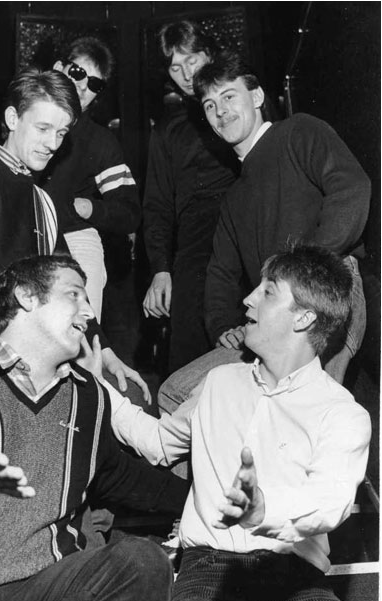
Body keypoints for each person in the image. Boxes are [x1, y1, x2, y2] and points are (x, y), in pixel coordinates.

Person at [104, 244, 372, 601]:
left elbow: (330, 500)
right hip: (208, 576)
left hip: (297, 585)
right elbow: (158, 443)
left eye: (267, 291)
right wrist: (98, 386)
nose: (247, 300)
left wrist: (264, 512)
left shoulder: (342, 413)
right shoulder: (218, 383)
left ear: (304, 318)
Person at [0, 254, 188, 601]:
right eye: (75, 294)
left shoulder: (89, 397)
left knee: (141, 561)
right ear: (26, 297)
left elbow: (119, 477)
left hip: (46, 594)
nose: (88, 312)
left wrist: (208, 498)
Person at [158, 52, 371, 412]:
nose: (220, 111)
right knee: (177, 395)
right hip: (268, 314)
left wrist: (302, 272)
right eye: (209, 105)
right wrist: (224, 323)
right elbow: (221, 272)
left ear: (256, 98)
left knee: (295, 418)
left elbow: (351, 188)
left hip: (324, 293)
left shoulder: (298, 131)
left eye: (228, 96)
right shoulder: (235, 196)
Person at [0, 66, 150, 403]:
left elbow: (70, 287)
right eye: (44, 128)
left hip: (22, 332)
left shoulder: (41, 200)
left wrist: (102, 350)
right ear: (12, 118)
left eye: (62, 133)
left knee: (127, 393)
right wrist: (41, 336)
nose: (52, 144)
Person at [142, 20, 239, 374]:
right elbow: (157, 205)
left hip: (245, 226)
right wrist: (161, 270)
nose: (185, 74)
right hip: (196, 242)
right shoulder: (168, 128)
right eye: (175, 66)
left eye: (192, 60)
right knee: (189, 355)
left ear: (208, 55)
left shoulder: (238, 106)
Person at [42, 36, 141, 323]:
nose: (84, 86)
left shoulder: (101, 142)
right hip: (23, 231)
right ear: (58, 67)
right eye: (77, 73)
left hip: (75, 236)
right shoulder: (23, 115)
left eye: (95, 84)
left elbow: (129, 212)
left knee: (80, 330)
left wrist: (88, 208)